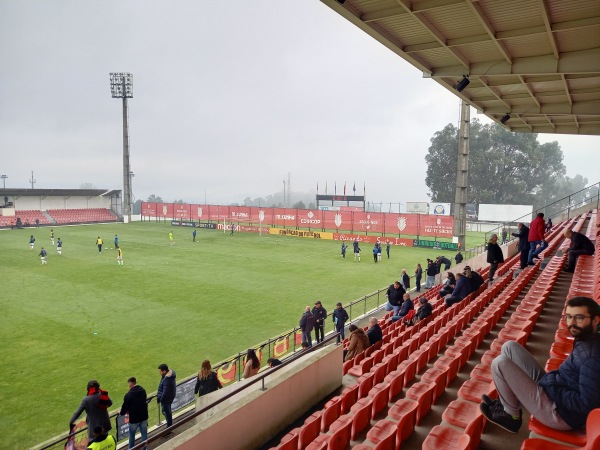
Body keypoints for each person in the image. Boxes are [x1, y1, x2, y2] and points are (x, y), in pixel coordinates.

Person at [481, 297, 600, 433]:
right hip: (556, 387)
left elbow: (587, 405)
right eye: (569, 317)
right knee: (509, 347)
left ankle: (511, 416)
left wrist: (551, 388)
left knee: (499, 363)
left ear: (595, 320)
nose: (571, 323)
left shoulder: (592, 357)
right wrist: (551, 383)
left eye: (579, 318)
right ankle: (507, 403)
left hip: (560, 413)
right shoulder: (586, 338)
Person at [119, 377, 148, 450]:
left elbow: (124, 407)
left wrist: (121, 412)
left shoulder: (128, 395)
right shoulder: (143, 390)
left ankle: (131, 449)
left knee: (132, 435)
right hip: (144, 416)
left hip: (134, 419)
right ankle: (144, 449)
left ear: (130, 384)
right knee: (144, 434)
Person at [156, 364, 176, 428]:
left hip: (166, 399)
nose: (160, 373)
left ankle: (169, 429)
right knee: (167, 412)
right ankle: (169, 426)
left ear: (164, 371)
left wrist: (161, 399)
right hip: (169, 397)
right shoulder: (168, 376)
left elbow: (165, 391)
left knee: (167, 413)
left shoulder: (167, 379)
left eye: (160, 371)